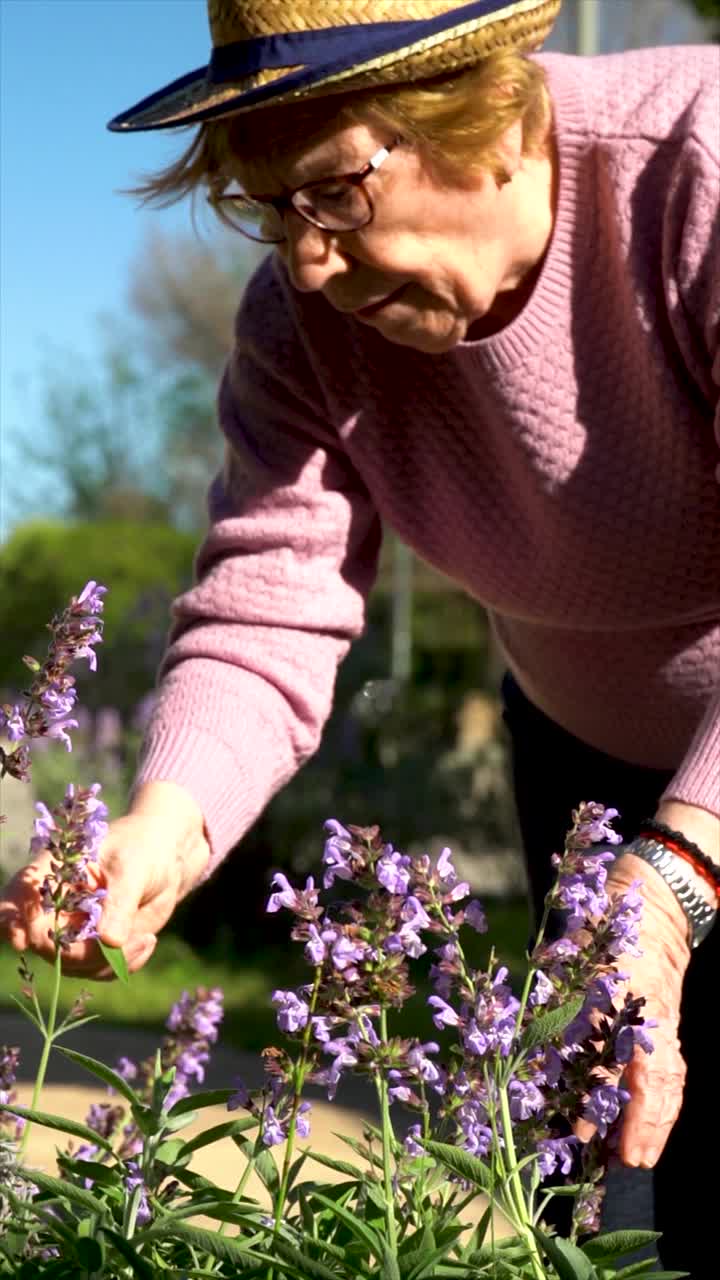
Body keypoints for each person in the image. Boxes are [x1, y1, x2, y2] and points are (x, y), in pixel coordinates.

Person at [1, 0, 718, 1270]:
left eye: (331, 191)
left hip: (684, 822)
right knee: (603, 1201)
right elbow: (269, 604)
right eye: (270, 210)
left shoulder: (692, 172)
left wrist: (672, 883)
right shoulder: (304, 326)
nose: (307, 263)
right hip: (591, 773)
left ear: (486, 110)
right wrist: (163, 827)